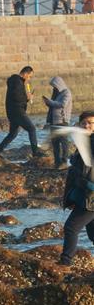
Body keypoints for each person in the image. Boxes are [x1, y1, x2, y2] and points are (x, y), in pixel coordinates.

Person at [58, 110, 94, 266]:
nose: (86, 125)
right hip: (84, 193)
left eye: (90, 123)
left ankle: (65, 263)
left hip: (91, 194)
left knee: (71, 227)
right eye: (83, 123)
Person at [0, 66, 40, 157]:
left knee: (13, 134)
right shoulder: (17, 82)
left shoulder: (15, 81)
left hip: (12, 111)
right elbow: (17, 97)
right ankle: (35, 153)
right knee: (32, 129)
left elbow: (16, 97)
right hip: (17, 111)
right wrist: (28, 97)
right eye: (29, 76)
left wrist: (26, 98)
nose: (29, 79)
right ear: (25, 74)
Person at [42, 77, 73, 168]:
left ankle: (64, 161)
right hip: (54, 121)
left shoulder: (67, 92)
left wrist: (50, 102)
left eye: (54, 86)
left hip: (62, 121)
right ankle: (57, 162)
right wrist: (48, 102)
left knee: (64, 143)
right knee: (55, 143)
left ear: (59, 84)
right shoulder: (57, 93)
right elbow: (54, 105)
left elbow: (62, 104)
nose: (53, 88)